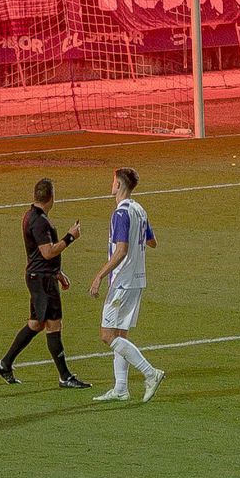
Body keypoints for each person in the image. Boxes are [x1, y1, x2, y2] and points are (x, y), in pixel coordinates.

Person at [0, 176, 90, 389]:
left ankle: (4, 363)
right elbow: (47, 252)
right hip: (42, 281)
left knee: (35, 324)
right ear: (51, 197)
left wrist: (58, 272)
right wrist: (70, 237)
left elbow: (40, 254)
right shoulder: (39, 221)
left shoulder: (31, 216)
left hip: (40, 276)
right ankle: (65, 376)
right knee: (54, 325)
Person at [87, 167, 160, 402]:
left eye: (112, 181)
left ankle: (151, 373)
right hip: (137, 279)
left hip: (122, 281)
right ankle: (121, 388)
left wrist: (99, 276)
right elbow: (152, 242)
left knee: (107, 335)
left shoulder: (121, 213)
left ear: (119, 184)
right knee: (120, 333)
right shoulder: (140, 209)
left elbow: (121, 250)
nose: (111, 185)